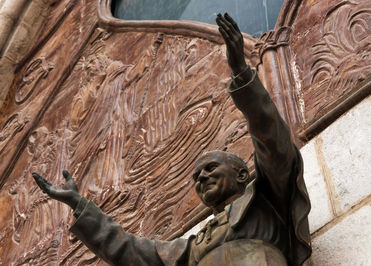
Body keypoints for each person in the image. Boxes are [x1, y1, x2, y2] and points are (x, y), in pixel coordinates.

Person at [32, 13, 311, 266]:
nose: (201, 178)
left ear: (241, 174)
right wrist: (80, 205)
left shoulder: (267, 200)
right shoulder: (192, 249)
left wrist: (240, 70)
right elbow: (129, 249)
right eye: (197, 176)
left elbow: (271, 138)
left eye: (210, 168)